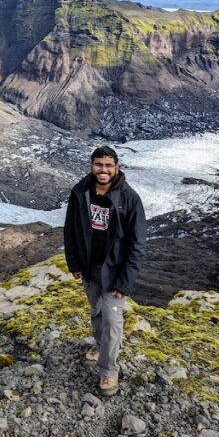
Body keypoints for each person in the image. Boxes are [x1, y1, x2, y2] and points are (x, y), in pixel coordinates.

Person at [63, 145, 146, 396]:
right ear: (92, 166)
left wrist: (125, 282)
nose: (104, 170)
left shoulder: (129, 199)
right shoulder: (81, 192)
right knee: (97, 312)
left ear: (116, 168)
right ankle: (100, 346)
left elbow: (137, 243)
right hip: (90, 269)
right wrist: (74, 264)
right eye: (99, 165)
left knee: (112, 322)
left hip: (115, 273)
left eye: (109, 166)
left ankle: (109, 371)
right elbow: (71, 230)